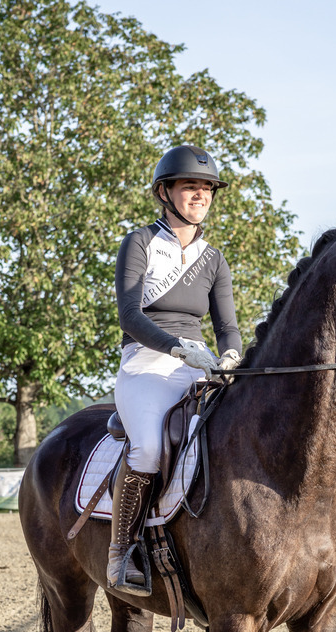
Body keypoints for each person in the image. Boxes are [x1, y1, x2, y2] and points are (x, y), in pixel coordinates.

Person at [108, 144, 242, 595]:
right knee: (147, 448)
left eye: (206, 189)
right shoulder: (141, 242)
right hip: (146, 361)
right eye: (190, 187)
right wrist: (176, 347)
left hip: (199, 365)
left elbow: (227, 326)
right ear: (164, 192)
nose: (200, 195)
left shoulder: (214, 258)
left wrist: (231, 356)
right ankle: (121, 551)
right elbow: (130, 315)